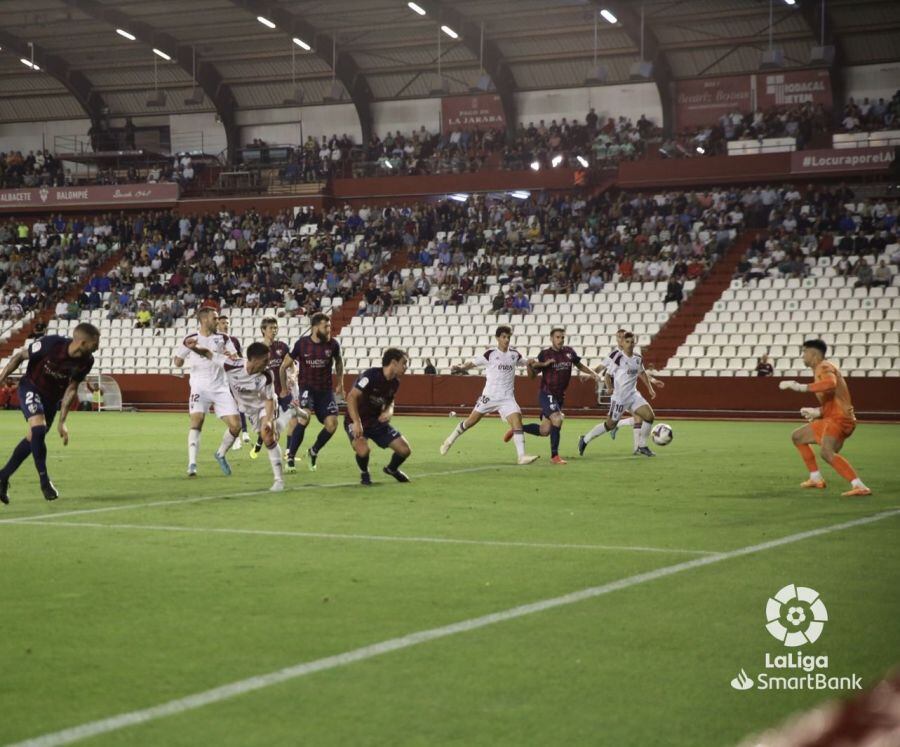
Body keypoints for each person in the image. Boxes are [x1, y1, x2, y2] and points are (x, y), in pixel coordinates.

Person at [0, 323, 100, 503]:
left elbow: (72, 388)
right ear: (83, 342)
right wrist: (1, 379)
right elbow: (20, 355)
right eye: (95, 342)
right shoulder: (51, 344)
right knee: (38, 430)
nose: (98, 346)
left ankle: (3, 476)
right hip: (31, 387)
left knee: (33, 438)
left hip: (51, 400)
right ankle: (44, 481)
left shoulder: (87, 361)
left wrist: (62, 421)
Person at [185, 339, 285, 492]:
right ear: (254, 359)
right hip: (249, 410)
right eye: (265, 360)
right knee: (263, 435)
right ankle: (221, 453)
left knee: (268, 435)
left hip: (264, 406)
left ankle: (279, 481)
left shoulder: (267, 374)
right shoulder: (232, 364)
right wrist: (194, 347)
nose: (268, 363)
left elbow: (269, 399)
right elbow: (208, 354)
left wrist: (269, 421)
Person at [779, 339, 871, 496]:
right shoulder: (820, 369)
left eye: (804, 352)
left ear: (813, 354)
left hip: (839, 419)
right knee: (798, 437)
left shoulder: (824, 367)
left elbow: (830, 384)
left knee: (826, 452)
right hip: (833, 417)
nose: (802, 356)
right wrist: (817, 411)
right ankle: (815, 478)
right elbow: (836, 397)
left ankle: (859, 486)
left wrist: (800, 387)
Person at [440, 326, 539, 465]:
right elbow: (472, 363)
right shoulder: (490, 354)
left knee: (517, 421)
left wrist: (533, 362)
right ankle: (449, 441)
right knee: (470, 422)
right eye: (504, 337)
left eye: (508, 337)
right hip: (490, 396)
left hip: (507, 398)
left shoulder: (514, 354)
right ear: (498, 338)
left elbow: (527, 363)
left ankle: (521, 456)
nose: (506, 340)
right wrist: (461, 368)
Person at [509, 327, 601, 464]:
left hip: (559, 396)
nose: (560, 340)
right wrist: (530, 366)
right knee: (558, 418)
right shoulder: (545, 354)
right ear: (551, 338)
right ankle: (554, 456)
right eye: (557, 337)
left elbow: (579, 365)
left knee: (545, 430)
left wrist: (593, 373)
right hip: (547, 393)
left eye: (562, 337)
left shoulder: (569, 352)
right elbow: (533, 376)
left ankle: (517, 429)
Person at [173, 307, 242, 477]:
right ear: (204, 320)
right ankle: (192, 464)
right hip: (199, 387)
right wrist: (180, 358)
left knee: (236, 426)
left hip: (220, 387)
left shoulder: (224, 338)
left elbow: (236, 359)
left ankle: (220, 454)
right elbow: (177, 362)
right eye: (215, 318)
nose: (217, 321)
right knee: (197, 421)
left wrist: (231, 356)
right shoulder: (191, 338)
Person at [280, 312, 344, 472]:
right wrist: (283, 387)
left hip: (325, 391)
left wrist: (341, 383)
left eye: (329, 326)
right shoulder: (302, 344)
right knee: (305, 417)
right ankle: (290, 459)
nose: (329, 329)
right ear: (315, 327)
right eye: (326, 326)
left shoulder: (333, 344)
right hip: (307, 389)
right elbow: (284, 365)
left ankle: (313, 451)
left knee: (332, 424)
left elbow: (339, 361)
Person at [578, 331, 658, 457]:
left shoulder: (637, 358)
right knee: (610, 425)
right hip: (620, 398)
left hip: (633, 395)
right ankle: (585, 439)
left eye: (632, 342)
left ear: (635, 343)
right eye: (627, 342)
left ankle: (642, 446)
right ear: (623, 343)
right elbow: (608, 375)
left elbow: (641, 373)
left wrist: (650, 388)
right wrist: (609, 388)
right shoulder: (618, 357)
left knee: (649, 416)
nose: (630, 344)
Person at [345, 348, 412, 485]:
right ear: (393, 363)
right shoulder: (370, 376)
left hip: (375, 421)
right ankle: (364, 472)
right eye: (404, 363)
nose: (406, 367)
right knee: (363, 451)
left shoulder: (395, 382)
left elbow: (390, 401)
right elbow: (351, 397)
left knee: (405, 450)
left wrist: (389, 411)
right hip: (356, 419)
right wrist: (357, 423)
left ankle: (392, 469)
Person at [249, 317, 297, 463]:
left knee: (294, 417)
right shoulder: (257, 349)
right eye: (271, 328)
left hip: (284, 391)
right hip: (268, 394)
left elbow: (292, 365)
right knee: (271, 425)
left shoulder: (282, 347)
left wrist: (293, 376)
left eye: (275, 328)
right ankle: (259, 442)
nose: (274, 330)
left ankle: (289, 452)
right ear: (263, 330)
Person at [216, 314, 249, 446]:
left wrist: (233, 357)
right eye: (222, 322)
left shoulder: (234, 340)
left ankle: (245, 431)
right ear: (218, 324)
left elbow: (240, 358)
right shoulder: (214, 340)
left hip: (234, 376)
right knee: (229, 406)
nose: (225, 325)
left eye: (227, 323)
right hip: (219, 377)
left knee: (239, 403)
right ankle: (236, 437)